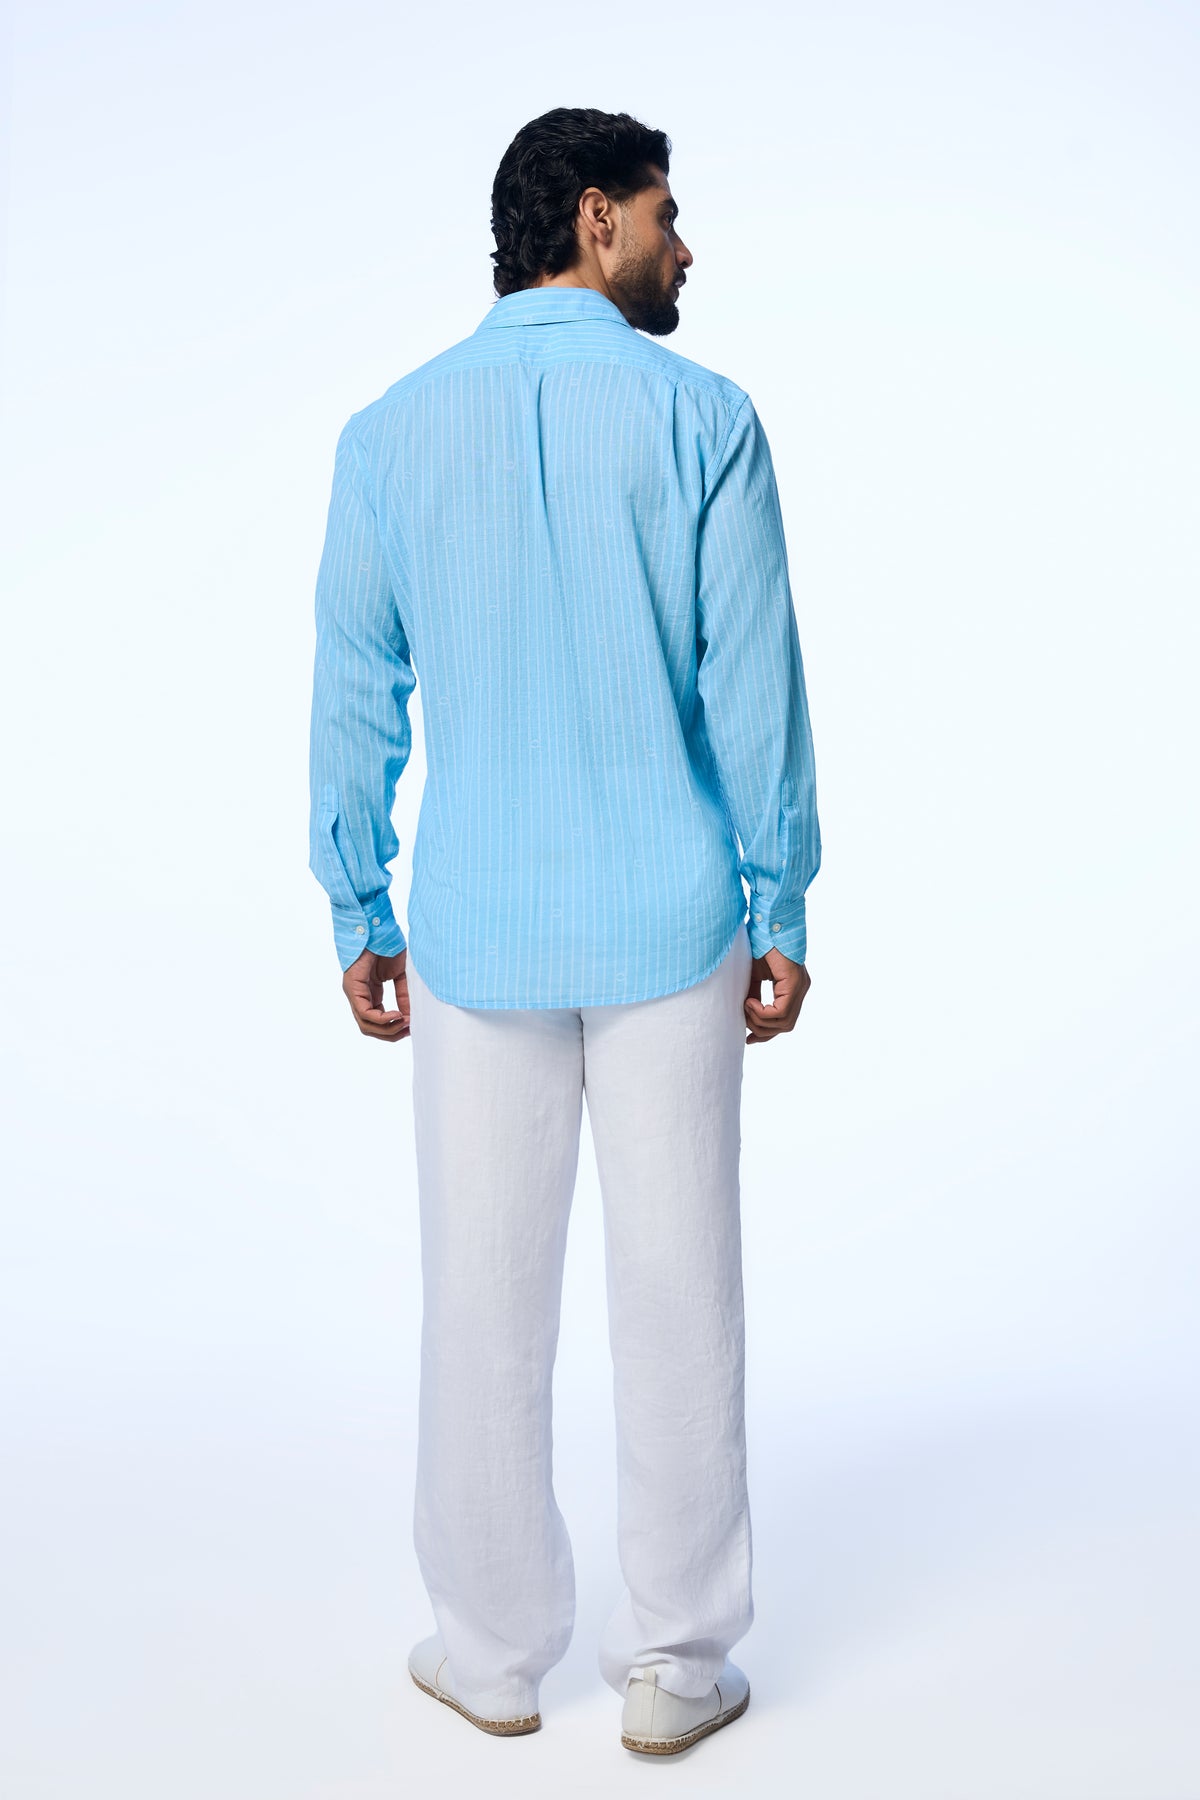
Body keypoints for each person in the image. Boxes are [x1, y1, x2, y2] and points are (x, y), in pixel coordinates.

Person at [306, 105, 821, 1756]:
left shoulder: (390, 433)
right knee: (681, 1295)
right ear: (596, 219)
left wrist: (358, 902)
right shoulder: (703, 418)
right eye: (667, 216)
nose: (685, 247)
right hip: (673, 922)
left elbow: (356, 693)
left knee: (481, 1296)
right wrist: (781, 898)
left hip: (473, 934)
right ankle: (675, 1663)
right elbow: (754, 687)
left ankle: (489, 1651)